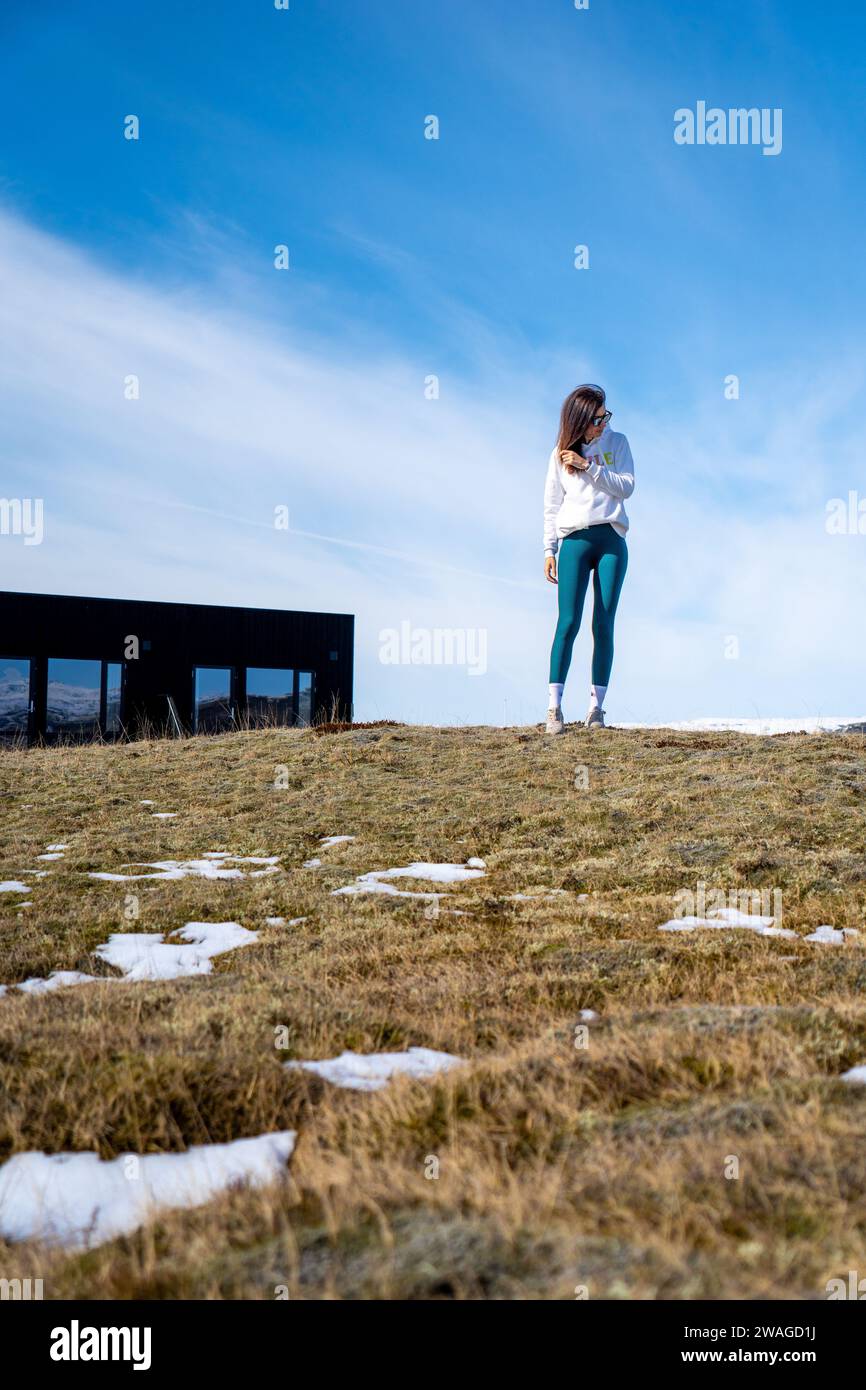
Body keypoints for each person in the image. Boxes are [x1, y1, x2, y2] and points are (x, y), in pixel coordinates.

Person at [543, 384, 634, 732]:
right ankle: (554, 708)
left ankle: (596, 710)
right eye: (597, 419)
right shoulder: (558, 455)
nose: (603, 423)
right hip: (574, 542)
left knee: (603, 624)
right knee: (568, 622)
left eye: (605, 416)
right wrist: (549, 549)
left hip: (611, 538)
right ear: (579, 420)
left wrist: (588, 467)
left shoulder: (618, 443)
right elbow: (551, 505)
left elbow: (626, 486)